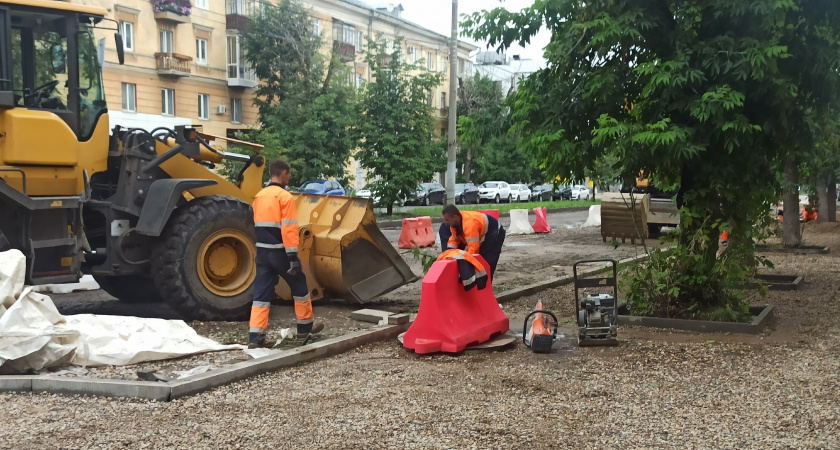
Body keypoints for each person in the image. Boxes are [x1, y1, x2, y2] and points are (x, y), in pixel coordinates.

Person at [248, 160, 323, 348]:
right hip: (280, 252)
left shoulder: (259, 196)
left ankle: (255, 337)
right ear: (283, 174)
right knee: (299, 286)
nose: (289, 178)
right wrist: (292, 257)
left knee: (261, 294)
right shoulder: (285, 197)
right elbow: (289, 229)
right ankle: (304, 329)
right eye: (288, 175)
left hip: (263, 253)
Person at [439, 205, 506, 279]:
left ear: (455, 217)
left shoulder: (469, 224)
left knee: (487, 260)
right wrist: (449, 255)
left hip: (494, 231)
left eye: (447, 219)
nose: (446, 222)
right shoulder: (455, 224)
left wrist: (466, 264)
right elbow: (454, 240)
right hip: (483, 231)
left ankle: (485, 283)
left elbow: (473, 250)